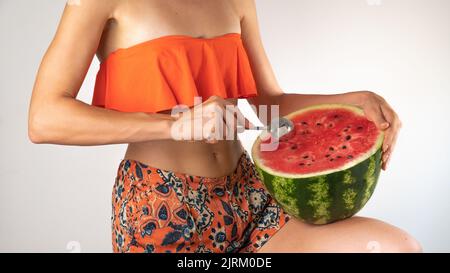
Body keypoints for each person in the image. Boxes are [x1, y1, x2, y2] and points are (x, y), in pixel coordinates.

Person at [28, 0, 421, 253]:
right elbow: (44, 118)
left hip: (250, 195)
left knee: (393, 247)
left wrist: (354, 101)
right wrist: (173, 126)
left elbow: (267, 106)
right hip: (163, 204)